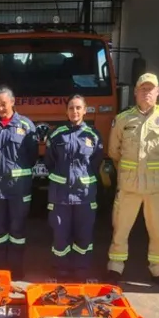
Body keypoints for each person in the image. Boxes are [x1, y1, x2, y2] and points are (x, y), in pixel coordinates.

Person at [105, 73, 159, 290]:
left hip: (156, 189)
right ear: (135, 92)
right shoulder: (123, 119)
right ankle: (115, 267)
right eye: (143, 89)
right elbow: (114, 150)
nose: (147, 93)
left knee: (158, 231)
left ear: (158, 92)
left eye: (151, 89)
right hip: (129, 186)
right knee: (120, 229)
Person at [0, 85, 39, 278]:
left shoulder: (26, 126)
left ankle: (16, 269)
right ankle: (0, 270)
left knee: (17, 230)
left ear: (12, 102)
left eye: (3, 104)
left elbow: (32, 155)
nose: (0, 108)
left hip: (18, 189)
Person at [45, 95, 104, 282]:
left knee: (84, 237)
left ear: (85, 110)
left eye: (78, 108)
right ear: (66, 111)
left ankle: (81, 271)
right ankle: (60, 272)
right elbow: (49, 162)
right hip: (60, 196)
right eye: (71, 108)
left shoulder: (93, 136)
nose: (75, 111)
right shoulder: (56, 135)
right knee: (60, 237)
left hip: (84, 197)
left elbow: (96, 162)